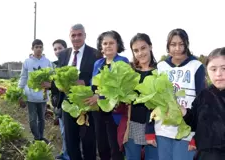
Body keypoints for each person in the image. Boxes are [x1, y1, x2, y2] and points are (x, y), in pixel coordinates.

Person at [155, 28, 206, 160]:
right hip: (163, 129)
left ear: (186, 45)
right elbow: (154, 98)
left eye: (181, 44)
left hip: (186, 131)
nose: (177, 48)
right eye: (173, 44)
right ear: (168, 46)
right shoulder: (161, 66)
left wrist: (197, 135)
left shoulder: (196, 66)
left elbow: (202, 102)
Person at [56, 24, 102, 160]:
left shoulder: (95, 54)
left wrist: (85, 83)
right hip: (68, 105)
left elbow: (100, 78)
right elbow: (58, 76)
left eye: (79, 35)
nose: (76, 38)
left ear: (85, 36)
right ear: (69, 36)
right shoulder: (64, 54)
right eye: (73, 35)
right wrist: (54, 85)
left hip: (87, 104)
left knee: (88, 142)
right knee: (71, 143)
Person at [85, 30, 128, 160]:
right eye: (105, 43)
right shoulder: (97, 63)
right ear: (101, 46)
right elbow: (93, 86)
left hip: (115, 112)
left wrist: (100, 97)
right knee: (102, 147)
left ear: (118, 45)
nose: (108, 46)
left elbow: (122, 89)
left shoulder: (122, 61)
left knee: (115, 148)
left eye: (111, 43)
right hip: (98, 112)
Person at [122, 33, 159, 160]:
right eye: (136, 50)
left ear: (150, 47)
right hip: (133, 125)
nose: (140, 53)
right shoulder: (129, 72)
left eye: (143, 48)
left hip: (155, 127)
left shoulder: (160, 71)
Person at [18, 39, 53, 143]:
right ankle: (36, 138)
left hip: (42, 95)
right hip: (30, 95)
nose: (38, 49)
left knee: (42, 118)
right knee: (33, 118)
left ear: (43, 48)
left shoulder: (47, 62)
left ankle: (41, 136)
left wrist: (50, 84)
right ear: (32, 49)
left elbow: (52, 76)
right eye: (36, 47)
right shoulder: (27, 62)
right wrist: (20, 91)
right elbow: (23, 77)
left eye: (40, 47)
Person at [42, 39, 69, 160]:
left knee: (67, 132)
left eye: (60, 48)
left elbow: (64, 85)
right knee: (64, 131)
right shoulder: (54, 65)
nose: (57, 51)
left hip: (67, 102)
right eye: (55, 49)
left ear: (66, 49)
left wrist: (51, 85)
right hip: (58, 103)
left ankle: (68, 155)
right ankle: (65, 153)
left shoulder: (68, 65)